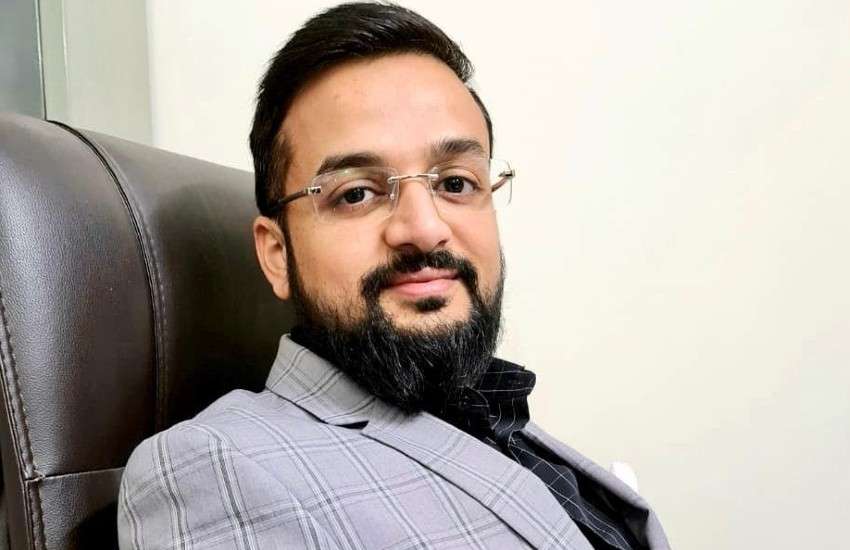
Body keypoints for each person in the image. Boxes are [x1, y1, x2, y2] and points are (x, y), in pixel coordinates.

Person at [117, 3, 671, 549]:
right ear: (278, 254)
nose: (425, 229)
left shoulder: (493, 416)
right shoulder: (216, 471)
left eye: (455, 183)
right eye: (356, 193)